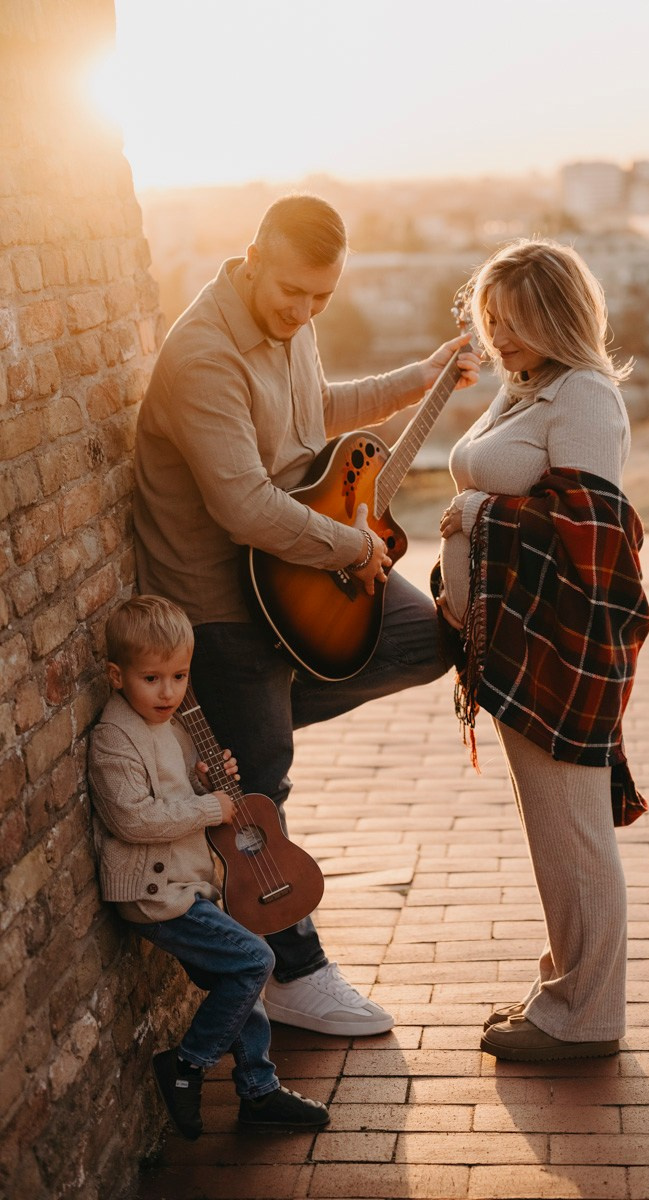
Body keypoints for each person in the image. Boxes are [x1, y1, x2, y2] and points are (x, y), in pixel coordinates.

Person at [133, 194, 480, 1037]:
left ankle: (231, 730)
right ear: (252, 258)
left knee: (425, 639)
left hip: (291, 579)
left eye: (322, 297)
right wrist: (350, 547)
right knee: (262, 785)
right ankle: (294, 973)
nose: (305, 311)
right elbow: (245, 507)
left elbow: (315, 411)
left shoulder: (292, 322)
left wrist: (421, 377)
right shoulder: (205, 355)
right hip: (220, 598)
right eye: (293, 292)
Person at [435, 238, 649, 1062]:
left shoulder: (586, 397)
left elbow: (592, 534)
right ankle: (564, 991)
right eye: (490, 318)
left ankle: (587, 1020)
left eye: (516, 320)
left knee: (576, 834)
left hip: (559, 646)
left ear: (560, 316)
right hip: (515, 645)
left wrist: (476, 516)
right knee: (553, 833)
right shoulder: (525, 387)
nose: (498, 335)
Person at [88, 595, 330, 1140]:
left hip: (187, 882)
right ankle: (187, 1064)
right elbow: (133, 819)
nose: (168, 692)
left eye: (179, 677)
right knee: (254, 960)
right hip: (154, 892)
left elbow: (178, 795)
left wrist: (206, 783)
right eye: (152, 679)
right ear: (116, 676)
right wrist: (208, 808)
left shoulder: (171, 725)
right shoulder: (113, 738)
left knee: (237, 977)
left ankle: (259, 1091)